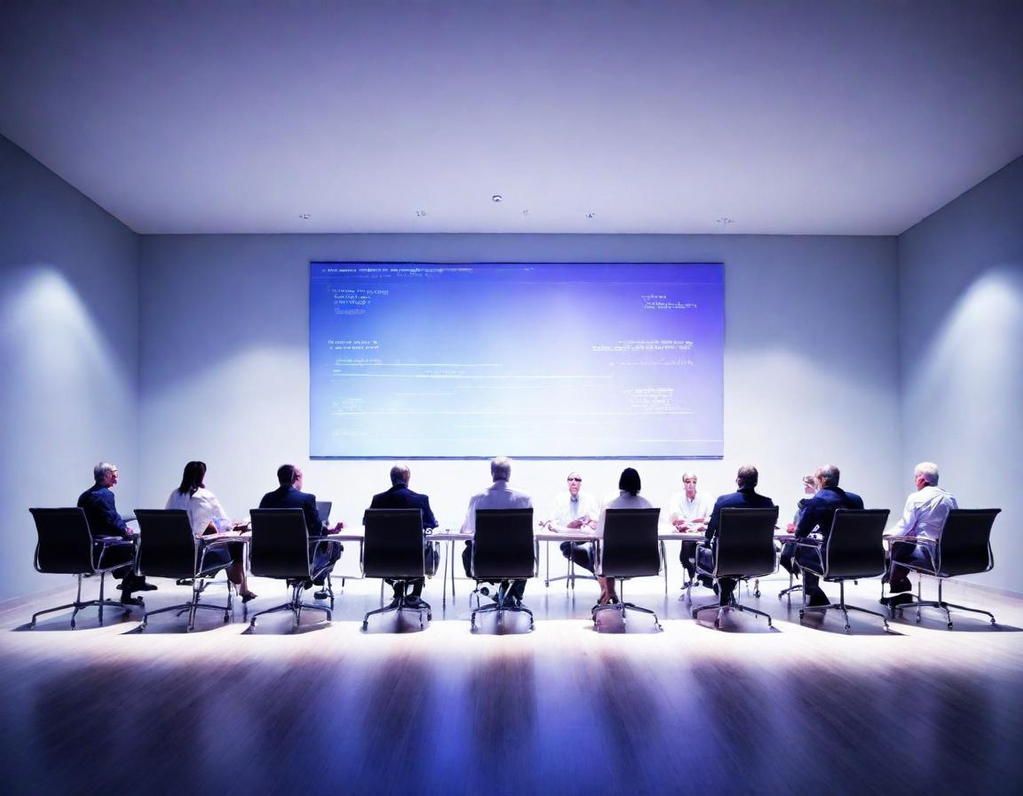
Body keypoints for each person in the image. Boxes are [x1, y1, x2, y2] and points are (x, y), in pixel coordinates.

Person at [165, 460, 256, 602]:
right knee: (236, 543)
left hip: (174, 555)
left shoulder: (174, 495)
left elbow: (167, 520)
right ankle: (239, 581)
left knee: (210, 530)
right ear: (202, 476)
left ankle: (240, 583)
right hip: (199, 556)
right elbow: (225, 523)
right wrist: (236, 526)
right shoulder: (205, 496)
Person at [259, 464, 343, 600]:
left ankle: (307, 579)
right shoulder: (307, 499)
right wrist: (328, 530)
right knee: (336, 546)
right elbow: (316, 531)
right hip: (300, 561)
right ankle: (315, 578)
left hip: (270, 561)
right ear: (297, 478)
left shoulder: (267, 499)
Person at [77, 462, 155, 604]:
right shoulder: (104, 494)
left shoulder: (84, 496)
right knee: (140, 546)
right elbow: (111, 519)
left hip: (89, 547)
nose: (116, 479)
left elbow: (104, 519)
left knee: (133, 543)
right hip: (105, 548)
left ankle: (135, 581)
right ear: (106, 475)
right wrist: (126, 530)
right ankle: (129, 588)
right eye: (115, 475)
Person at [882, 462, 958, 608]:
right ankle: (899, 584)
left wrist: (885, 537)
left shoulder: (916, 497)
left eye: (915, 477)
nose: (914, 481)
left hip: (927, 555)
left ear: (922, 479)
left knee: (896, 545)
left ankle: (896, 589)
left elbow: (905, 527)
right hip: (949, 555)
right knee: (901, 545)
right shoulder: (950, 498)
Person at [461, 456, 533, 606]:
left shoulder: (478, 497)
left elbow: (465, 530)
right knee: (525, 548)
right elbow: (530, 532)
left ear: (492, 473)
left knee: (468, 551)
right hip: (517, 563)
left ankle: (493, 590)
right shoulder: (524, 498)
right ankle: (512, 596)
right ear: (509, 473)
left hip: (485, 562)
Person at [700, 465, 775, 608]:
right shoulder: (767, 503)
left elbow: (712, 529)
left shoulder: (723, 501)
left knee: (717, 550)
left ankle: (724, 593)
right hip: (758, 560)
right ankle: (726, 593)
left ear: (738, 480)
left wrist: (706, 541)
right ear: (756, 482)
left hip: (727, 559)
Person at [368, 463, 440, 609]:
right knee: (423, 549)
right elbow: (432, 524)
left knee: (396, 555)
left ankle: (398, 592)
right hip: (414, 560)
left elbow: (368, 523)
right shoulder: (420, 499)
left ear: (391, 478)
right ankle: (415, 596)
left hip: (383, 561)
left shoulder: (378, 500)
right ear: (408, 478)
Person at [792, 464, 864, 607]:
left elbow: (800, 533)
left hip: (829, 559)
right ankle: (814, 593)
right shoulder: (855, 500)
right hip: (857, 558)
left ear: (823, 480)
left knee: (798, 549)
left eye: (815, 478)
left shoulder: (818, 501)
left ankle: (814, 592)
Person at [595, 467, 655, 605]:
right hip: (643, 562)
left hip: (614, 563)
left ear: (620, 484)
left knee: (600, 551)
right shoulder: (646, 505)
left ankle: (609, 592)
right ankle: (611, 593)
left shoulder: (612, 506)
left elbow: (598, 534)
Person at [543, 470, 600, 581]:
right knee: (572, 549)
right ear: (567, 482)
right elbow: (552, 521)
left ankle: (597, 570)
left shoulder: (589, 499)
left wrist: (589, 522)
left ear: (580, 483)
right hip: (566, 539)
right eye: (571, 479)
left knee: (595, 547)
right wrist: (564, 527)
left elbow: (596, 520)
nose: (574, 482)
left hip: (584, 538)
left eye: (577, 480)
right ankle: (594, 569)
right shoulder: (559, 499)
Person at [667, 471, 711, 585]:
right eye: (688, 481)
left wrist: (695, 523)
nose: (691, 484)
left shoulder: (705, 497)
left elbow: (710, 518)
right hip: (686, 535)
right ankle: (693, 574)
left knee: (693, 552)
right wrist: (694, 522)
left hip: (701, 535)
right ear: (683, 483)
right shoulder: (677, 497)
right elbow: (676, 518)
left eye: (694, 482)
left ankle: (699, 575)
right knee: (685, 554)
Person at [779, 470, 822, 579]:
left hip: (811, 544)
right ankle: (796, 572)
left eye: (805, 486)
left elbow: (804, 530)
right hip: (807, 539)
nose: (804, 488)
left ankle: (799, 575)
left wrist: (796, 530)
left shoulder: (813, 504)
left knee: (787, 555)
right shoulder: (809, 504)